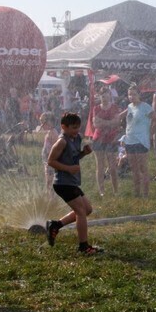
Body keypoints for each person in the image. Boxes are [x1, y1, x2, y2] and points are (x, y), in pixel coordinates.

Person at [45, 112, 104, 255]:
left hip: (72, 182)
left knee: (87, 209)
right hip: (62, 183)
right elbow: (50, 161)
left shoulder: (76, 138)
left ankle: (55, 225)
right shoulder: (62, 141)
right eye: (73, 128)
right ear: (63, 127)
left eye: (78, 127)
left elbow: (73, 158)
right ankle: (83, 247)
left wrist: (83, 153)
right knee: (81, 212)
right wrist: (69, 169)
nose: (76, 130)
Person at [120, 86, 156, 198]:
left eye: (133, 94)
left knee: (143, 168)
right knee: (134, 169)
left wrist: (150, 133)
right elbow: (122, 119)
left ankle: (145, 194)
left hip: (141, 141)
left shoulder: (145, 107)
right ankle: (137, 193)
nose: (131, 97)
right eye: (129, 95)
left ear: (139, 95)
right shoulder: (129, 107)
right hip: (130, 141)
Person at [92, 88, 121, 196]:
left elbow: (117, 122)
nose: (105, 98)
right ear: (99, 97)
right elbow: (96, 124)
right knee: (100, 166)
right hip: (98, 139)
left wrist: (104, 122)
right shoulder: (96, 108)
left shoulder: (114, 107)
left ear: (110, 96)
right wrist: (110, 123)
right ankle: (102, 191)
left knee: (112, 167)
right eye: (102, 96)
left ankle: (116, 190)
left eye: (106, 95)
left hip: (111, 139)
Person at [37, 112, 60, 194]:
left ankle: (51, 199)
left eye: (43, 123)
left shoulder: (53, 133)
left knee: (50, 182)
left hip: (51, 160)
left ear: (49, 123)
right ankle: (49, 197)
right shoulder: (49, 132)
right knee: (48, 181)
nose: (41, 126)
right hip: (47, 160)